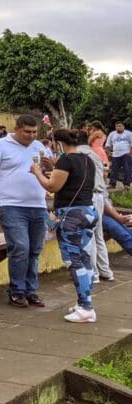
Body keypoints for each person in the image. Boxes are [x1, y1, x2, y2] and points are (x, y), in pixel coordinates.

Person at [0, 114, 52, 308]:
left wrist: (50, 167)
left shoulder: (39, 146)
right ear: (17, 128)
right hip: (11, 204)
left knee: (35, 249)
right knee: (20, 247)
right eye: (27, 132)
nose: (31, 135)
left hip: (38, 204)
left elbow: (46, 174)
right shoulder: (0, 146)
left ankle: (31, 290)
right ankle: (17, 291)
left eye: (34, 132)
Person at [31, 129, 98, 323]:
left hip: (71, 216)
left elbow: (52, 186)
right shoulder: (88, 160)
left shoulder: (66, 160)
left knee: (74, 261)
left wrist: (37, 172)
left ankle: (86, 307)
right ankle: (84, 302)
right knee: (84, 258)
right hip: (88, 211)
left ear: (58, 143)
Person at [75, 130, 113, 283]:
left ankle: (93, 274)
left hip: (88, 196)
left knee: (88, 236)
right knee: (98, 236)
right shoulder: (93, 153)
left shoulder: (78, 155)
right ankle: (105, 271)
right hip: (99, 195)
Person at [106, 122, 132, 189]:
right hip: (115, 155)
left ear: (123, 126)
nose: (118, 127)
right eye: (116, 126)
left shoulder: (128, 133)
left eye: (120, 126)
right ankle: (112, 184)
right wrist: (109, 153)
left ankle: (127, 184)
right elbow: (108, 144)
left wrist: (130, 153)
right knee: (114, 170)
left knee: (127, 169)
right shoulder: (112, 134)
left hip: (125, 154)